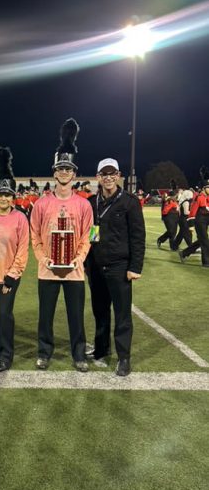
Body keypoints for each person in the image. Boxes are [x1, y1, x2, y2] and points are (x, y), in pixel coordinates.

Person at [30, 118, 93, 372]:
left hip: (75, 271)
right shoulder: (41, 204)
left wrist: (79, 258)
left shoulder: (84, 205)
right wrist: (42, 258)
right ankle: (44, 352)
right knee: (45, 316)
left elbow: (87, 236)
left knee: (76, 316)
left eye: (69, 169)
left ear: (74, 173)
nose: (64, 173)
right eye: (60, 169)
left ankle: (79, 354)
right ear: (54, 172)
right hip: (47, 270)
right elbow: (35, 235)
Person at [85, 158, 146, 376]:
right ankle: (101, 349)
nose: (109, 177)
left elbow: (138, 236)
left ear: (118, 175)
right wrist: (87, 263)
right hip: (96, 266)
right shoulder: (92, 202)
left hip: (120, 266)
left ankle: (124, 357)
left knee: (122, 315)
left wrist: (135, 266)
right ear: (98, 177)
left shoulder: (129, 202)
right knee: (99, 311)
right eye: (104, 174)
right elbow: (92, 233)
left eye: (112, 173)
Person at [0, 147, 30, 372]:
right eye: (0, 195)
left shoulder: (20, 218)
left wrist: (12, 275)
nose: (3, 198)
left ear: (13, 197)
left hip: (8, 276)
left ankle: (7, 355)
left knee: (4, 314)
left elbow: (23, 249)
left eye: (7, 195)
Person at [182, 172, 209, 268]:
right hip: (199, 220)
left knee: (202, 240)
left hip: (207, 219)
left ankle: (184, 253)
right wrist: (191, 225)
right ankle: (206, 262)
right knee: (205, 241)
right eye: (208, 187)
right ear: (204, 189)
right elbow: (193, 211)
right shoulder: (199, 198)